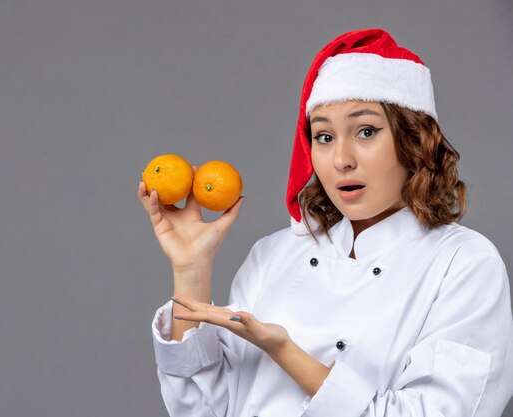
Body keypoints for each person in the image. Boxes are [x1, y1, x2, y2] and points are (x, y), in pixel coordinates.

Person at [137, 28, 513, 417]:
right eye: (324, 136)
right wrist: (192, 270)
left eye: (366, 131)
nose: (341, 159)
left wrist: (285, 351)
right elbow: (201, 409)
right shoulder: (274, 253)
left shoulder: (463, 263)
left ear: (415, 139)